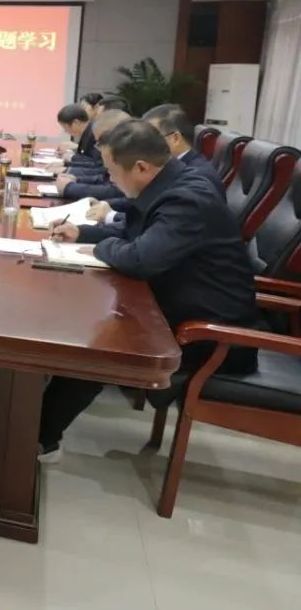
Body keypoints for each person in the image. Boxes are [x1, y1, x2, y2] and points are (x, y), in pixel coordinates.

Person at [40, 120, 261, 462]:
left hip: (215, 335)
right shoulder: (169, 185)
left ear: (141, 167)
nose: (110, 179)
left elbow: (141, 258)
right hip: (178, 306)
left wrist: (99, 248)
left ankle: (39, 440)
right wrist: (82, 233)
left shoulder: (188, 198)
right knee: (91, 323)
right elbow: (134, 235)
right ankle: (35, 424)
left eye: (113, 171)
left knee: (100, 344)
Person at [86, 104, 225, 222]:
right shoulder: (174, 168)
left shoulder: (198, 177)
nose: (144, 141)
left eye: (154, 135)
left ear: (175, 138)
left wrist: (111, 215)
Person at [56, 110, 132, 200]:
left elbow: (117, 192)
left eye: (101, 142)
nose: (98, 148)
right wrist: (75, 179)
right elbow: (104, 177)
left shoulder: (132, 157)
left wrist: (70, 187)